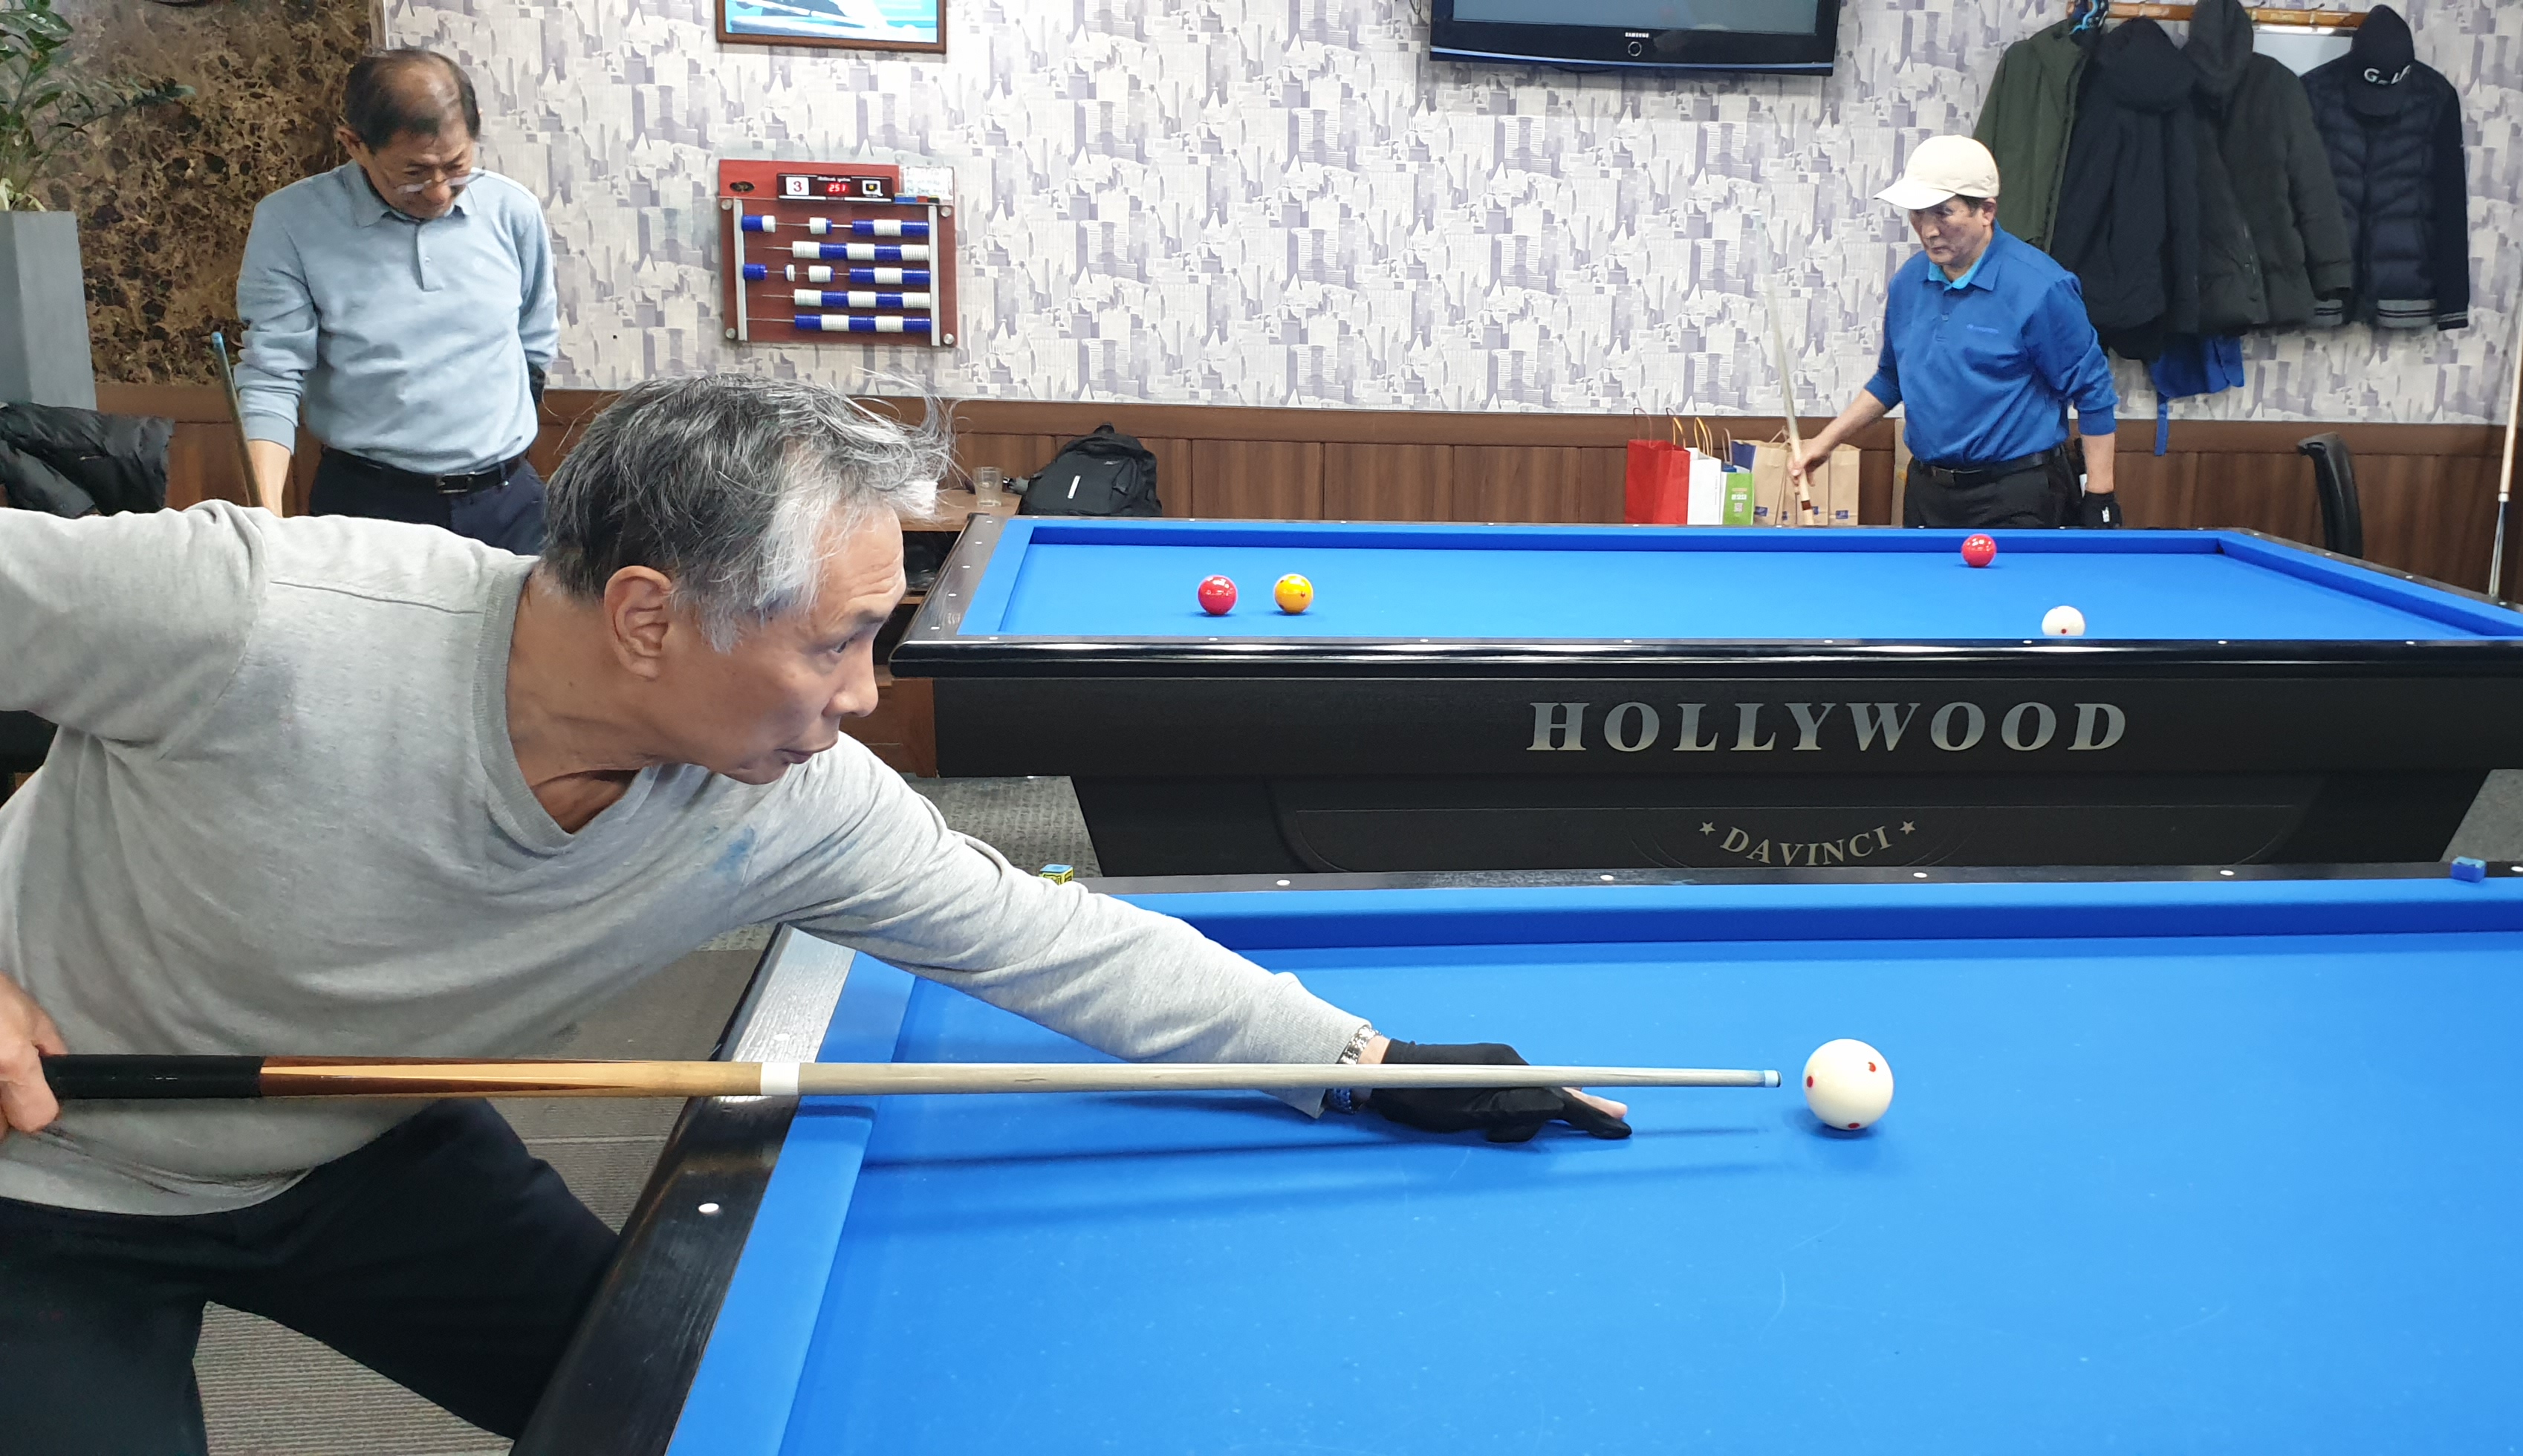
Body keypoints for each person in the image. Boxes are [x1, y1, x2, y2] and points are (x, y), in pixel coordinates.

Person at [0, 376, 1628, 1449]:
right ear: (650, 618)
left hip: (365, 1146)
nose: (863, 697)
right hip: (42, 1180)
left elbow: (1049, 938)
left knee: (672, 1418)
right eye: (835, 641)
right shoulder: (266, 615)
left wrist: (1363, 1058)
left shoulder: (787, 798)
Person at [234, 49, 559, 552]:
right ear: (355, 145)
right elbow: (272, 374)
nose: (438, 193)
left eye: (456, 167)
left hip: (509, 502)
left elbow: (533, 344)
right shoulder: (290, 223)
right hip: (367, 508)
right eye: (413, 173)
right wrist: (266, 519)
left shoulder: (512, 210)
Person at [1796, 135, 2122, 530]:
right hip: (1927, 489)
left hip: (2017, 493)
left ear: (1986, 211)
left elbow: (2093, 391)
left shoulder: (2041, 287)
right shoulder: (1909, 282)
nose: (1928, 230)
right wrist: (1825, 442)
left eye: (1943, 213)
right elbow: (1891, 379)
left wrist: (2100, 497)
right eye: (1918, 213)